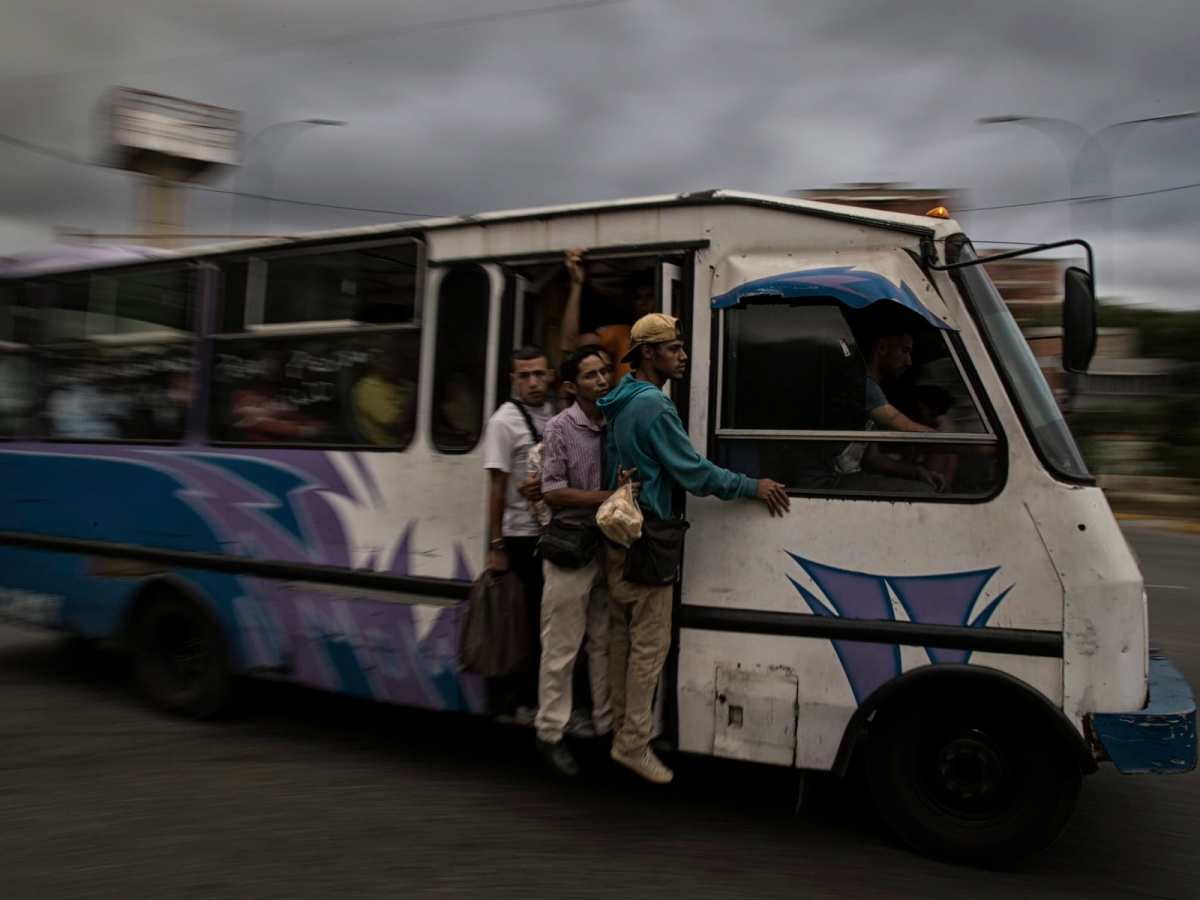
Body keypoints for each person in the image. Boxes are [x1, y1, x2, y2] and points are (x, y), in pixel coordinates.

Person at [597, 314, 790, 784]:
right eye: (674, 348)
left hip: (618, 535)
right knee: (649, 645)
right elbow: (696, 473)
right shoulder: (655, 408)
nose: (683, 356)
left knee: (623, 639)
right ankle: (633, 743)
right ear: (649, 354)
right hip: (649, 537)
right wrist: (751, 485)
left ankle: (623, 725)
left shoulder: (618, 401)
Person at [534, 348, 616, 776]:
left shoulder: (616, 423)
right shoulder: (560, 428)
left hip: (609, 546)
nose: (602, 380)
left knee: (603, 640)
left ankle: (604, 726)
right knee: (563, 646)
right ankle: (550, 731)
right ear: (571, 387)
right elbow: (551, 490)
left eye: (605, 372)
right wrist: (606, 498)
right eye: (591, 375)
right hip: (570, 546)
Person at [483, 346, 557, 718]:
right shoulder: (504, 421)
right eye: (524, 376)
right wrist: (496, 543)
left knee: (547, 622)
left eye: (539, 374)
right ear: (513, 380)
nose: (533, 382)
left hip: (551, 531)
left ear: (551, 375)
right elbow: (496, 486)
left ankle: (539, 698)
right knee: (522, 623)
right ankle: (518, 700)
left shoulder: (557, 414)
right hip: (519, 536)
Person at [834, 322, 947, 493]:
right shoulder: (861, 385)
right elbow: (906, 428)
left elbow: (872, 459)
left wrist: (918, 472)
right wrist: (960, 440)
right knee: (925, 492)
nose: (909, 362)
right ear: (882, 348)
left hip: (850, 475)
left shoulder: (873, 389)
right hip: (830, 480)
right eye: (905, 351)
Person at [560, 249, 659, 381]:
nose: (644, 303)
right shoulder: (622, 334)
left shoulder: (671, 338)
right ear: (631, 303)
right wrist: (576, 285)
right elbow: (570, 345)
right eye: (638, 297)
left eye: (649, 296)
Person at [352, 337, 416, 446]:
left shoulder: (399, 383)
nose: (391, 362)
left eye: (396, 356)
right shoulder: (369, 388)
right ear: (375, 360)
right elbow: (397, 426)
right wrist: (414, 395)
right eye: (387, 356)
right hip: (388, 450)